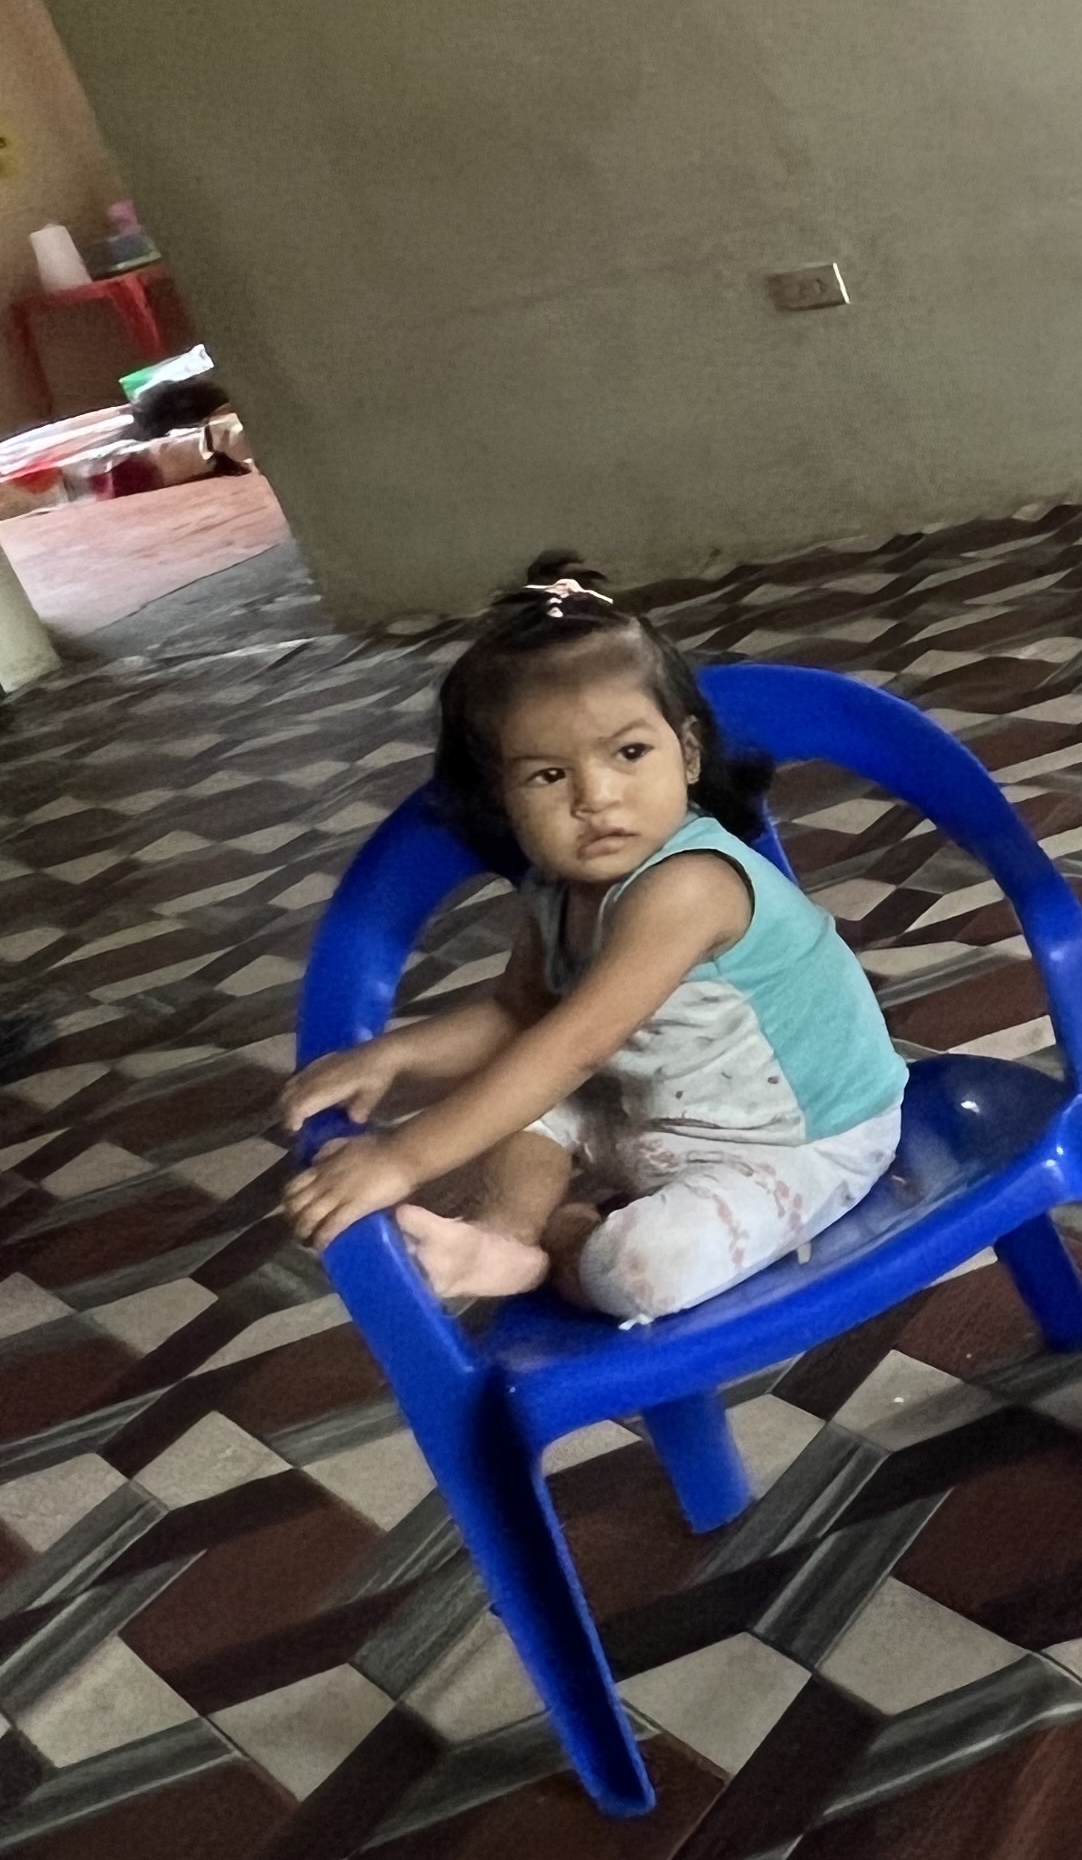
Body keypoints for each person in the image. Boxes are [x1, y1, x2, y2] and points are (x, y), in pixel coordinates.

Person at [275, 560, 909, 1320]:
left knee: (638, 1270)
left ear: (689, 752)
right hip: (654, 1119)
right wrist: (393, 1055)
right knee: (527, 1092)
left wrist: (401, 1158)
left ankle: (572, 1237)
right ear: (502, 796)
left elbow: (574, 1044)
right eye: (549, 776)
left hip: (801, 1143)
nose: (596, 797)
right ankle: (504, 1235)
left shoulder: (689, 886)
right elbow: (518, 1014)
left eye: (629, 753)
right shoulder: (556, 890)